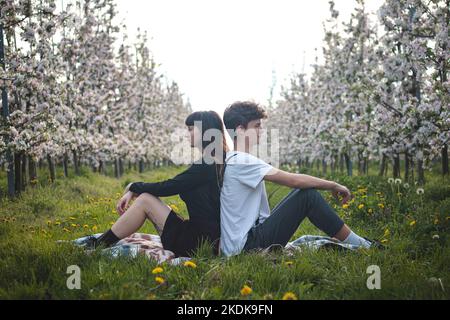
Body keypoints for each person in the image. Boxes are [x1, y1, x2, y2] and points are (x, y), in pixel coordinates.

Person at [220, 101, 377, 257]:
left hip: (244, 244)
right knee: (307, 196)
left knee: (302, 196)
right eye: (257, 126)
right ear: (240, 130)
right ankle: (364, 246)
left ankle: (360, 242)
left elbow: (262, 215)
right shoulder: (240, 160)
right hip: (246, 247)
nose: (261, 130)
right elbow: (294, 180)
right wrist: (333, 185)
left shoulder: (236, 159)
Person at [85, 111, 228, 257]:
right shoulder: (216, 159)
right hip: (205, 236)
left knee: (145, 200)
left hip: (198, 242)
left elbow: (169, 186)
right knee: (146, 198)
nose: (187, 134)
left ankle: (99, 244)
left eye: (191, 129)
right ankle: (101, 242)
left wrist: (133, 186)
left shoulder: (207, 164)